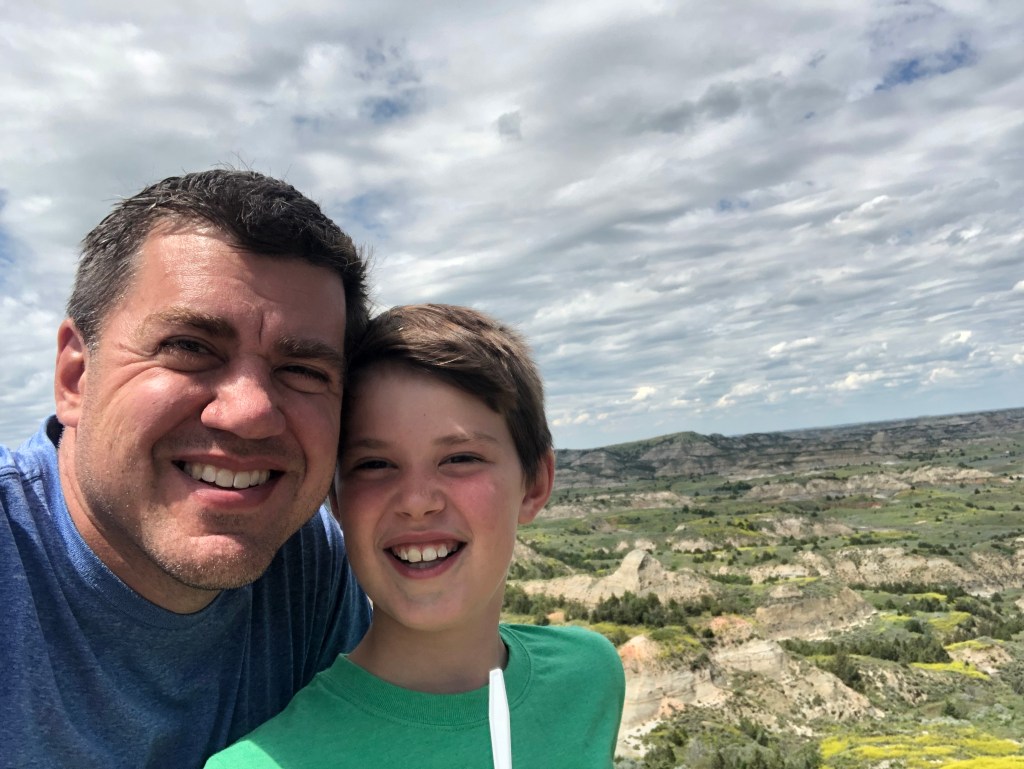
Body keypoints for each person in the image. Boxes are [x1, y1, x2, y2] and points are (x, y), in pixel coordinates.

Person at [1, 169, 373, 769]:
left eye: (304, 371)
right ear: (76, 377)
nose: (251, 414)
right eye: (189, 347)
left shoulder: (309, 563)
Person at [206, 304, 625, 769]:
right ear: (337, 501)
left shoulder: (589, 675)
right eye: (375, 465)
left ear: (535, 485)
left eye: (460, 458)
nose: (417, 501)